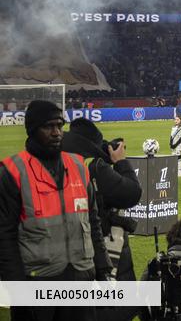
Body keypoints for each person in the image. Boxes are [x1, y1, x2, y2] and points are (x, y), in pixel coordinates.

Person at [0, 100, 110, 321]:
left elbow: (93, 221)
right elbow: (4, 236)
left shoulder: (79, 166)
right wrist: (17, 289)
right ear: (32, 130)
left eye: (60, 125)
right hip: (38, 281)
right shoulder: (11, 172)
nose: (56, 132)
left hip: (81, 276)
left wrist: (102, 268)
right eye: (48, 126)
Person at [61, 117, 143, 284]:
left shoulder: (60, 161)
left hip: (64, 246)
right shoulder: (96, 167)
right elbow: (132, 193)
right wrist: (121, 162)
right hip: (99, 244)